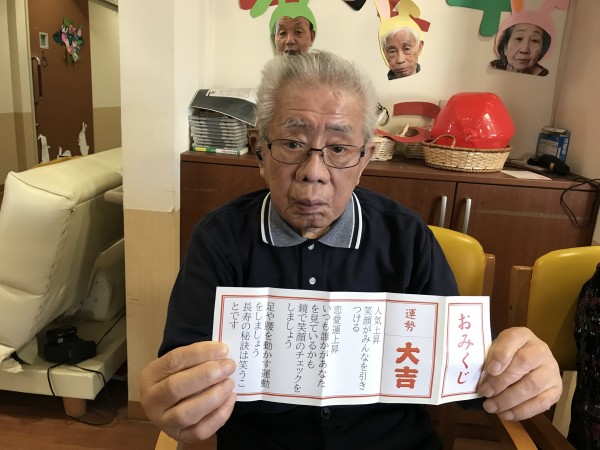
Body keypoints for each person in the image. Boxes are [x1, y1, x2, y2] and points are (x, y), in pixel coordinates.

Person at [140, 50, 562, 449]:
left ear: (365, 159)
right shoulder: (220, 238)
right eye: (292, 143)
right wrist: (173, 397)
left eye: (339, 149)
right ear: (260, 152)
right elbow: (184, 373)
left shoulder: (407, 238)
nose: (314, 172)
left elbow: (465, 372)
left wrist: (519, 370)